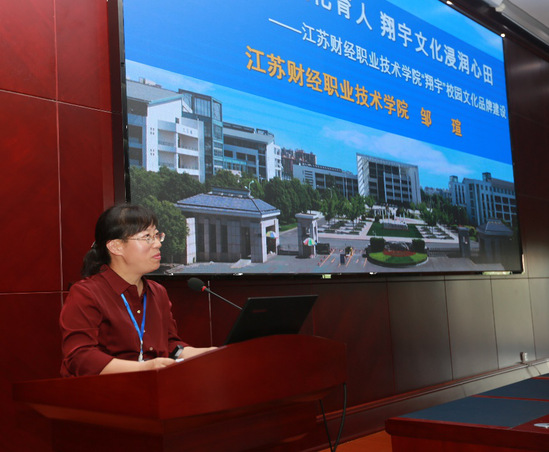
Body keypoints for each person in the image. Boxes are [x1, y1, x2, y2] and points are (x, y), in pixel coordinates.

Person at [60, 203, 215, 377]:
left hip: (154, 387)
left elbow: (171, 345)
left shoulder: (158, 292)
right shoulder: (86, 293)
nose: (158, 244)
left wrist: (210, 354)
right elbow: (80, 358)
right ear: (116, 246)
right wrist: (144, 368)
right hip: (106, 390)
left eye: (157, 235)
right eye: (147, 237)